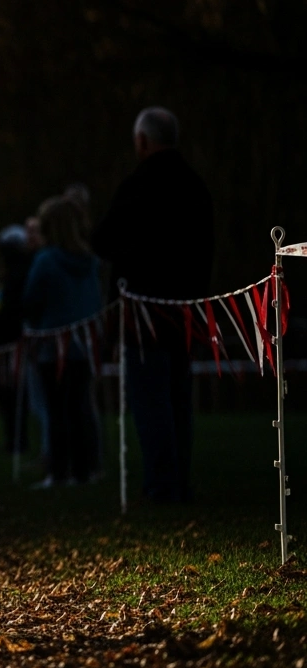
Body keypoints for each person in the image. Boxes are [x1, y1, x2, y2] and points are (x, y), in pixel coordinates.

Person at [91, 106, 213, 503]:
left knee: (149, 399)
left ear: (142, 141)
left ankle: (162, 484)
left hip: (144, 312)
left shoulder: (137, 185)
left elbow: (103, 241)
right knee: (179, 398)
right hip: (185, 309)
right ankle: (179, 479)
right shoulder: (196, 186)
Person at [23, 197, 103, 487]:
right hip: (84, 344)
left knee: (56, 410)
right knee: (81, 407)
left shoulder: (45, 260)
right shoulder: (91, 261)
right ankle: (85, 470)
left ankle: (58, 472)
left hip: (52, 346)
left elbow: (31, 300)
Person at [0, 225, 33, 454]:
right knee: (10, 395)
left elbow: (11, 311)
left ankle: (17, 440)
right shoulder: (13, 274)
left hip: (11, 344)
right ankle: (15, 439)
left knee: (12, 394)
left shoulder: (16, 275)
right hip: (9, 343)